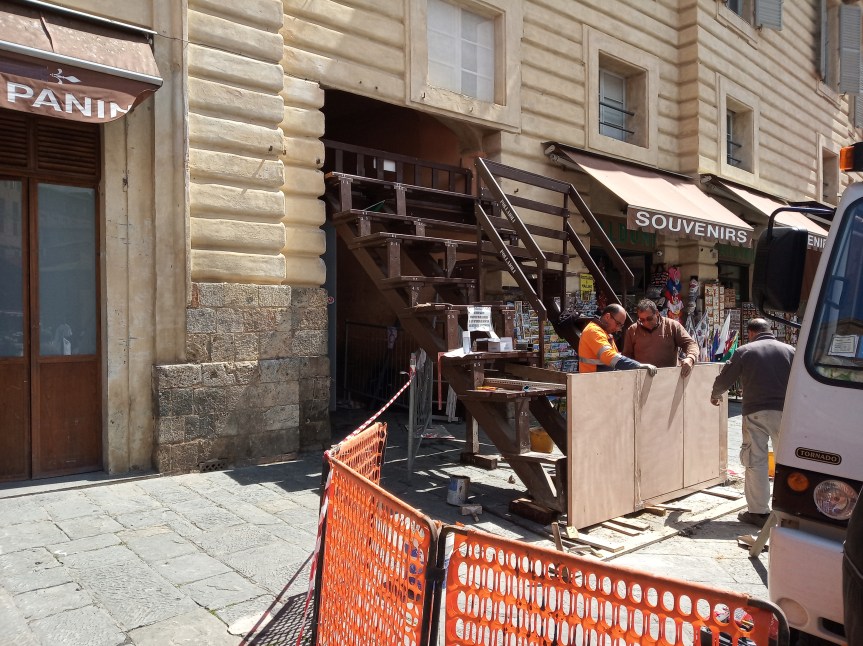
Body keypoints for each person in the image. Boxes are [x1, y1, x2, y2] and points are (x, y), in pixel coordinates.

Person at [710, 318, 794, 527]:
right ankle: (790, 510)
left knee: (756, 461)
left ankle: (758, 512)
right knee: (786, 463)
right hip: (786, 412)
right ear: (768, 331)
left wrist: (715, 394)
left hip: (755, 412)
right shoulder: (790, 350)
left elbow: (725, 378)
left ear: (750, 333)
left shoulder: (745, 351)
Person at [623, 299, 699, 376]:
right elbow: (626, 357)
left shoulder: (672, 326)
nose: (646, 323)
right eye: (642, 320)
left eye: (649, 319)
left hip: (669, 376)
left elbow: (690, 344)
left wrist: (690, 358)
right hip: (642, 378)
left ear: (656, 313)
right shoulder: (632, 330)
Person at [578, 304, 658, 376]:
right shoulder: (593, 331)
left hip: (598, 381)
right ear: (607, 317)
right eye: (618, 324)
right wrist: (637, 365)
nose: (618, 329)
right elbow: (609, 356)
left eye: (621, 326)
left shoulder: (604, 332)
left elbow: (612, 356)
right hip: (592, 383)